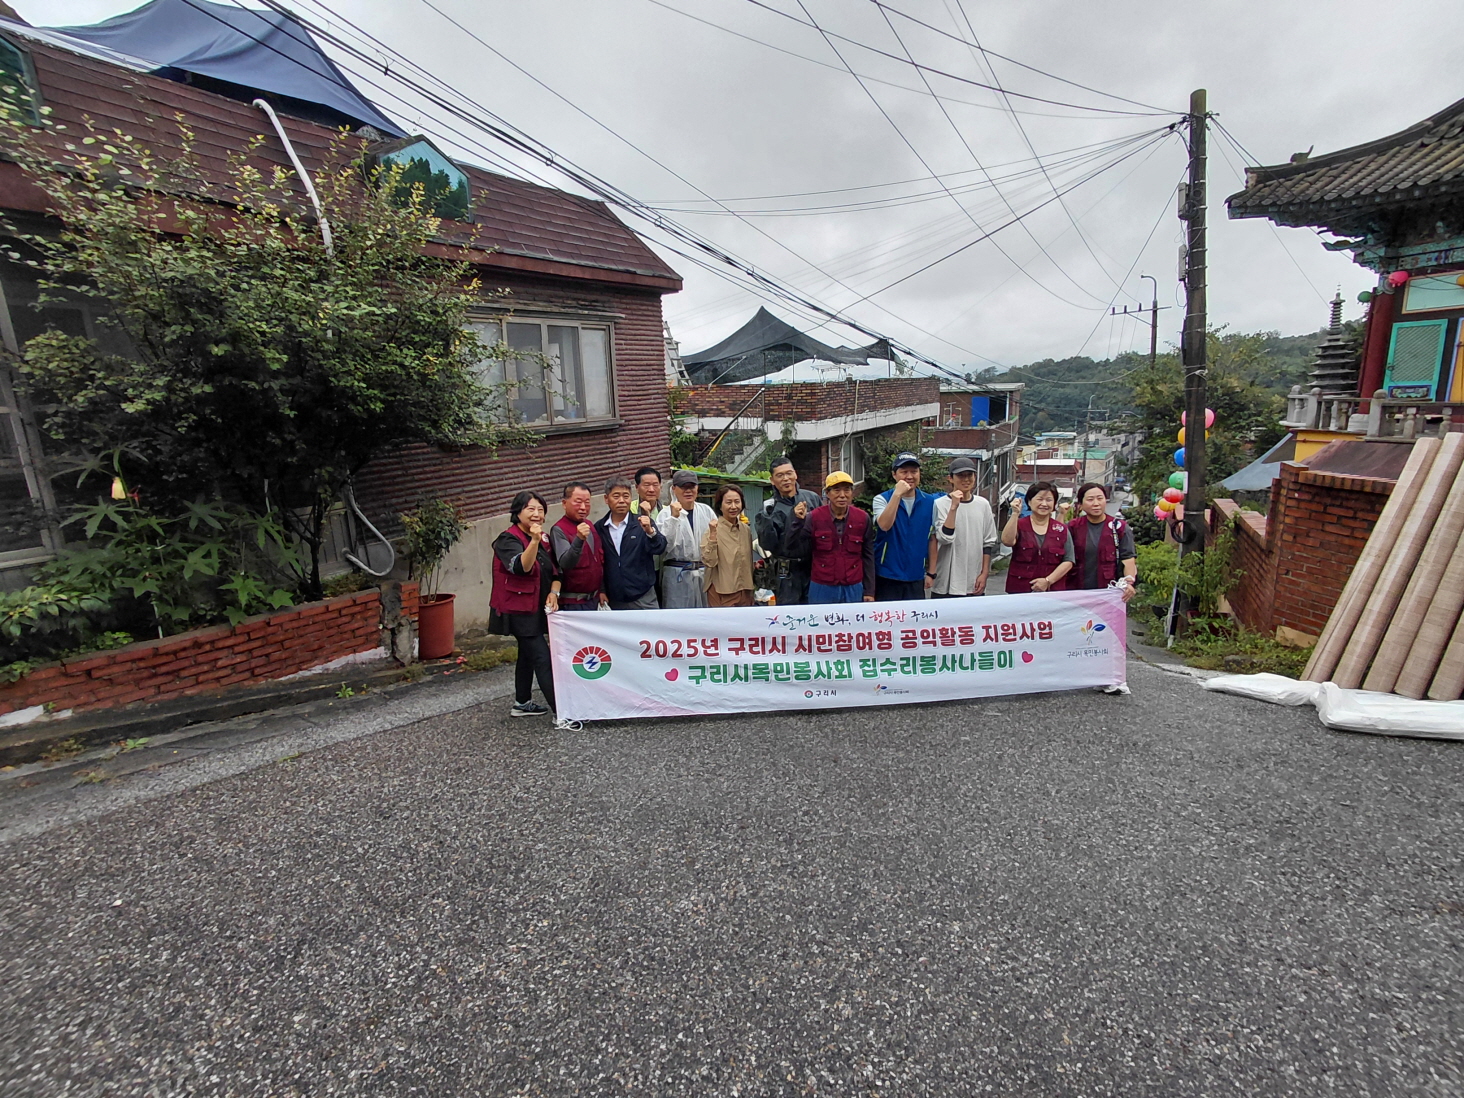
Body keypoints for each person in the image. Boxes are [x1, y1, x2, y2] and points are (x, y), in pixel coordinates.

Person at [488, 490, 579, 730]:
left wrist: (554, 592)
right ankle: (562, 712)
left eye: (540, 509)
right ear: (517, 513)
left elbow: (556, 572)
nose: (536, 514)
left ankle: (522, 702)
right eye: (530, 509)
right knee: (542, 657)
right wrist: (535, 541)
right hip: (518, 610)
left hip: (539, 607)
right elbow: (521, 567)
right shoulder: (508, 539)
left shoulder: (545, 538)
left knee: (527, 655)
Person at [782, 470, 875, 603]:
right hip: (822, 586)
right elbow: (791, 546)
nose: (842, 495)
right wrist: (798, 521)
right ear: (827, 493)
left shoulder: (862, 518)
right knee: (820, 623)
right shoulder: (814, 517)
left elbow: (868, 555)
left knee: (852, 622)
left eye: (847, 490)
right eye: (836, 490)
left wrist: (869, 591)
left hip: (853, 586)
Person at [871, 451, 939, 601]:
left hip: (915, 576)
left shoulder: (930, 502)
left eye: (914, 471)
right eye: (904, 472)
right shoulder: (881, 499)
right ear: (894, 475)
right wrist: (897, 495)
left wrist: (931, 572)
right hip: (886, 575)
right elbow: (884, 525)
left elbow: (932, 538)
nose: (910, 476)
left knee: (913, 621)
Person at [754, 456, 821, 606]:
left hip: (813, 567)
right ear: (772, 480)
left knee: (815, 611)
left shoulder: (812, 498)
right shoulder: (769, 508)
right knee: (789, 616)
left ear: (795, 474)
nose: (786, 479)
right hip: (786, 572)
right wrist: (767, 519)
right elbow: (767, 544)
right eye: (780, 475)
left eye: (789, 473)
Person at [929, 456, 998, 598]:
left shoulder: (983, 504)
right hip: (946, 581)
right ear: (951, 478)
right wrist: (953, 507)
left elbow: (988, 543)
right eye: (961, 475)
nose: (966, 479)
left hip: (974, 579)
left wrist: (984, 573)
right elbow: (945, 538)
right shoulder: (940, 504)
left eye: (969, 475)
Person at [597, 475, 667, 609]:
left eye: (626, 496)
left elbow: (660, 548)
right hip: (615, 597)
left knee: (652, 628)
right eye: (616, 496)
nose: (622, 501)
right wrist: (602, 589)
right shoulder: (600, 528)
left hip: (643, 594)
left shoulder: (642, 522)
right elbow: (598, 562)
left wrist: (650, 532)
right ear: (606, 499)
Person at [656, 469, 716, 609]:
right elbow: (664, 546)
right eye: (683, 487)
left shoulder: (706, 510)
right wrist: (673, 518)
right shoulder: (665, 514)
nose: (688, 491)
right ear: (674, 489)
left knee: (706, 617)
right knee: (678, 618)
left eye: (692, 487)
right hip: (677, 574)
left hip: (704, 573)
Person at [1001, 480, 1074, 594]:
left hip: (1053, 592)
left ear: (1054, 504)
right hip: (1020, 591)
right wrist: (1015, 513)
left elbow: (1068, 560)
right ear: (1029, 502)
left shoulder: (1061, 529)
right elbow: (1007, 541)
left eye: (1049, 500)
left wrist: (1047, 581)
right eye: (1039, 499)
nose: (1044, 504)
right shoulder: (1019, 524)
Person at [1068, 482, 1137, 601]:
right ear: (1081, 504)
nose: (1096, 503)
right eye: (1090, 499)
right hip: (1076, 592)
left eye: (1100, 498)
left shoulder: (1119, 527)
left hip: (1108, 592)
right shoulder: (1073, 527)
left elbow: (1128, 558)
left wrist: (1129, 582)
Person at [550, 482, 605, 610]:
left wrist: (602, 590)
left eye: (587, 502)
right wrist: (579, 539)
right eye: (578, 502)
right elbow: (565, 562)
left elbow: (599, 560)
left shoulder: (589, 524)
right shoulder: (559, 530)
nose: (583, 507)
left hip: (594, 599)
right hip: (573, 602)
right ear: (564, 503)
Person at [702, 483, 756, 606]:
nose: (733, 506)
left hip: (745, 591)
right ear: (720, 505)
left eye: (737, 502)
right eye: (728, 502)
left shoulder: (745, 529)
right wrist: (713, 536)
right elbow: (709, 561)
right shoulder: (713, 529)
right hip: (722, 592)